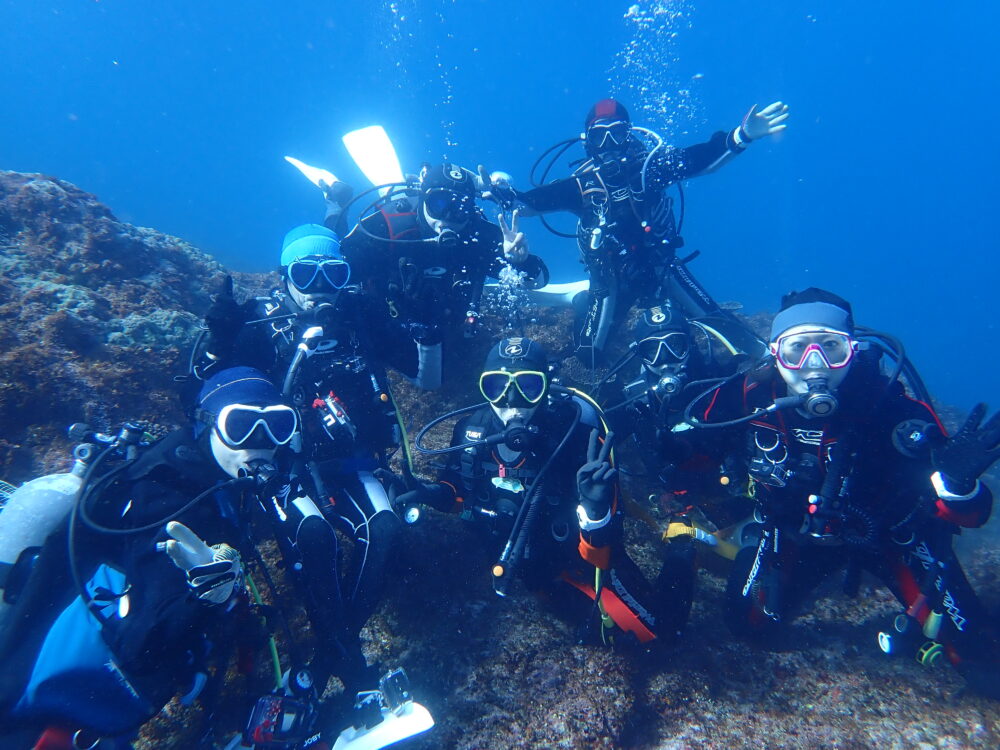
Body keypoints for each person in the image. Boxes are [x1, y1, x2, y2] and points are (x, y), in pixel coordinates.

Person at [675, 288, 1000, 697]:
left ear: (852, 351)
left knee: (980, 659)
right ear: (775, 354)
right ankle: (769, 558)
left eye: (831, 347)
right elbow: (696, 455)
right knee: (747, 623)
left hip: (891, 539)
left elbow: (973, 515)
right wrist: (672, 447)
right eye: (797, 349)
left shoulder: (891, 408)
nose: (815, 364)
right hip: (795, 534)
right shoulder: (748, 396)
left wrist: (959, 487)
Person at [0, 368, 293, 747]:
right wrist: (203, 598)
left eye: (278, 426)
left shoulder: (207, 476)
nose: (261, 442)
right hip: (42, 719)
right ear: (206, 423)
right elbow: (139, 652)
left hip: (77, 707)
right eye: (240, 425)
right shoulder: (172, 501)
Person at [195, 229, 410, 698]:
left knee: (387, 530)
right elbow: (205, 395)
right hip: (284, 462)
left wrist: (415, 325)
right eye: (305, 274)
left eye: (332, 274)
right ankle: (350, 665)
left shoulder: (359, 318)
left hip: (350, 458)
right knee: (315, 536)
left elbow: (419, 367)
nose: (319, 288)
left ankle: (330, 657)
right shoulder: (259, 324)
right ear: (284, 277)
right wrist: (217, 346)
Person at [399, 337, 693, 645]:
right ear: (483, 388)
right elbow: (458, 491)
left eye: (528, 386)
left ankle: (683, 546)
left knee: (659, 633)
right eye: (497, 386)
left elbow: (606, 554)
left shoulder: (580, 440)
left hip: (575, 561)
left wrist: (596, 512)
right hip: (524, 566)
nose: (511, 400)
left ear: (546, 387)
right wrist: (431, 493)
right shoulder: (471, 432)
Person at [502, 98, 788, 364]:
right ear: (588, 142)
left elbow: (702, 158)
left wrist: (742, 135)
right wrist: (495, 191)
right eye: (599, 136)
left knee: (719, 322)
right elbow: (528, 203)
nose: (609, 143)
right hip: (609, 278)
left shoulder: (653, 168)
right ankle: (582, 300)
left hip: (661, 266)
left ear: (629, 135)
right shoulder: (580, 186)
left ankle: (774, 361)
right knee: (589, 356)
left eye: (617, 133)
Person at [337, 163, 550, 387]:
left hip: (447, 325)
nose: (448, 216)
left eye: (460, 207)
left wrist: (520, 262)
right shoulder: (387, 228)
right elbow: (335, 273)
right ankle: (335, 204)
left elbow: (539, 281)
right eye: (438, 204)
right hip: (390, 322)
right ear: (423, 198)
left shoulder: (476, 235)